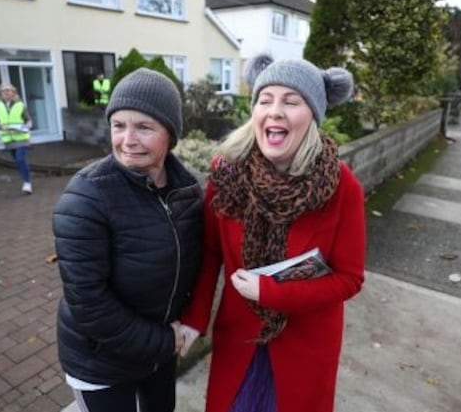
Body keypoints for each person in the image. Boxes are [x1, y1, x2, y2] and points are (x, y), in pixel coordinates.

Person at [178, 54, 367, 412]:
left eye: (291, 101)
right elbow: (210, 251)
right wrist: (194, 318)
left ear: (312, 114)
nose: (275, 111)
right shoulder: (227, 172)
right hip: (240, 336)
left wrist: (272, 292)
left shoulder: (342, 187)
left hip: (307, 344)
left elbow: (349, 279)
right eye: (266, 100)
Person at [52, 68, 203, 412]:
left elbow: (199, 264)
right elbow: (89, 303)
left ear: (171, 135)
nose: (128, 139)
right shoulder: (86, 197)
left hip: (157, 355)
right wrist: (166, 341)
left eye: (144, 127)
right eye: (119, 126)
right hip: (101, 361)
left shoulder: (187, 192)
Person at [0, 83, 33, 194]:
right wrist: (0, 126)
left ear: (14, 92)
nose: (6, 92)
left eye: (9, 90)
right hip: (8, 140)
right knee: (19, 162)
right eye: (4, 91)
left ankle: (27, 183)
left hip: (21, 138)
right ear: (0, 93)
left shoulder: (20, 104)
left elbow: (29, 120)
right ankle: (27, 175)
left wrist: (26, 127)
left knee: (20, 159)